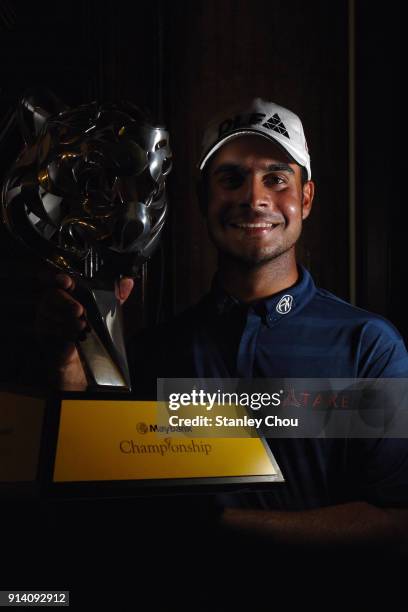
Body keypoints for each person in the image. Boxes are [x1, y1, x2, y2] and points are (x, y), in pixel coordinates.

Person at [36, 99, 408, 598]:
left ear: (308, 197)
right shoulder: (156, 352)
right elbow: (96, 495)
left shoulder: (368, 347)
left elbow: (393, 524)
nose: (253, 198)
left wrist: (221, 524)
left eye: (276, 179)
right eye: (231, 179)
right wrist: (72, 357)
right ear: (202, 198)